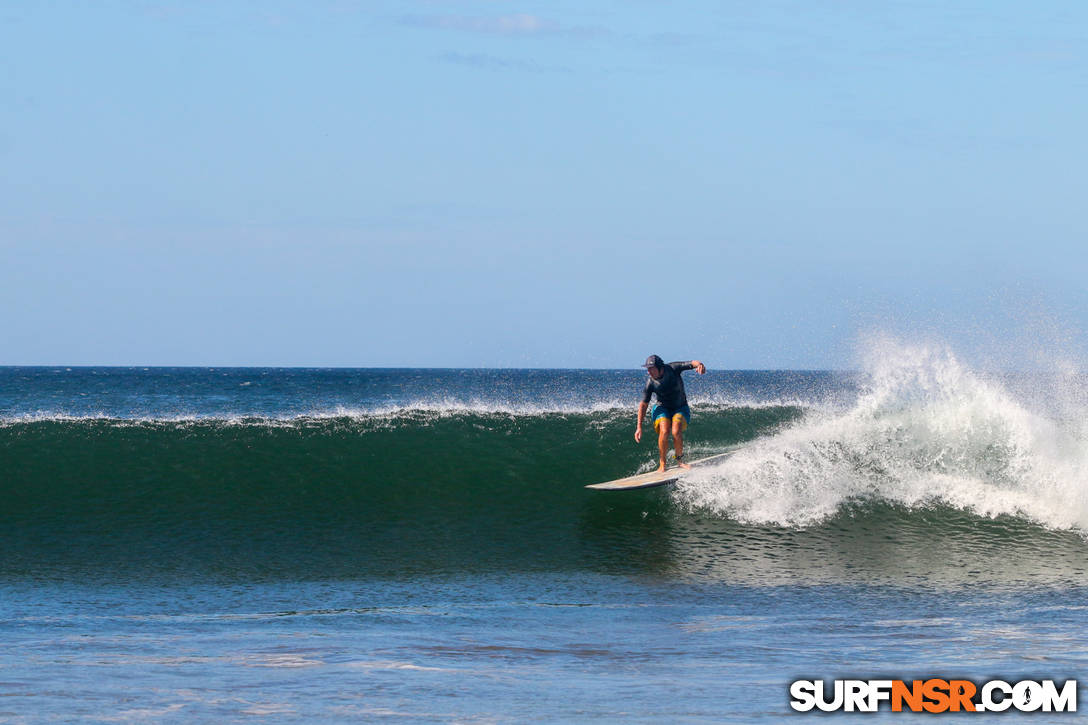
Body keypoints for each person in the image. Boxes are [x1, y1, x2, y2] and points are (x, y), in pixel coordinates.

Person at [634, 354, 707, 472]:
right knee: (664, 430)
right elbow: (643, 405)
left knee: (676, 430)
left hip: (680, 407)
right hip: (662, 408)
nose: (649, 372)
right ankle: (662, 464)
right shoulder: (650, 383)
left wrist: (700, 365)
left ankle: (679, 460)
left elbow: (693, 363)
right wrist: (639, 427)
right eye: (647, 369)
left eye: (651, 369)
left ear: (659, 367)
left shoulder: (673, 368)